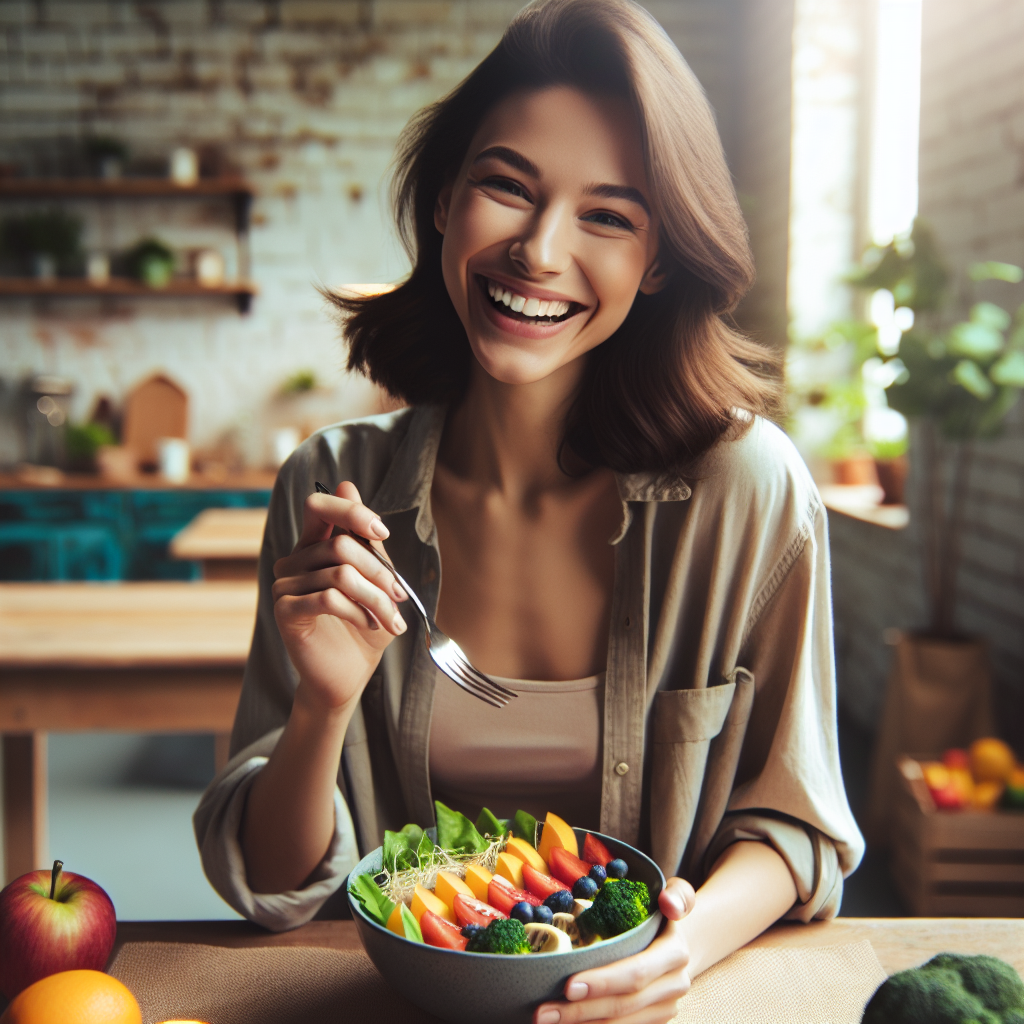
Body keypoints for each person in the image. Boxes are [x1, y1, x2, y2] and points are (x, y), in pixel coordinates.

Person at [195, 2, 863, 1021]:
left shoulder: (750, 491)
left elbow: (796, 825)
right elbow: (276, 890)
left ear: (661, 262)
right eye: (506, 187)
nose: (540, 252)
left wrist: (679, 952)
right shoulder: (331, 486)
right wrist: (325, 707)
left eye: (609, 214)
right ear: (443, 202)